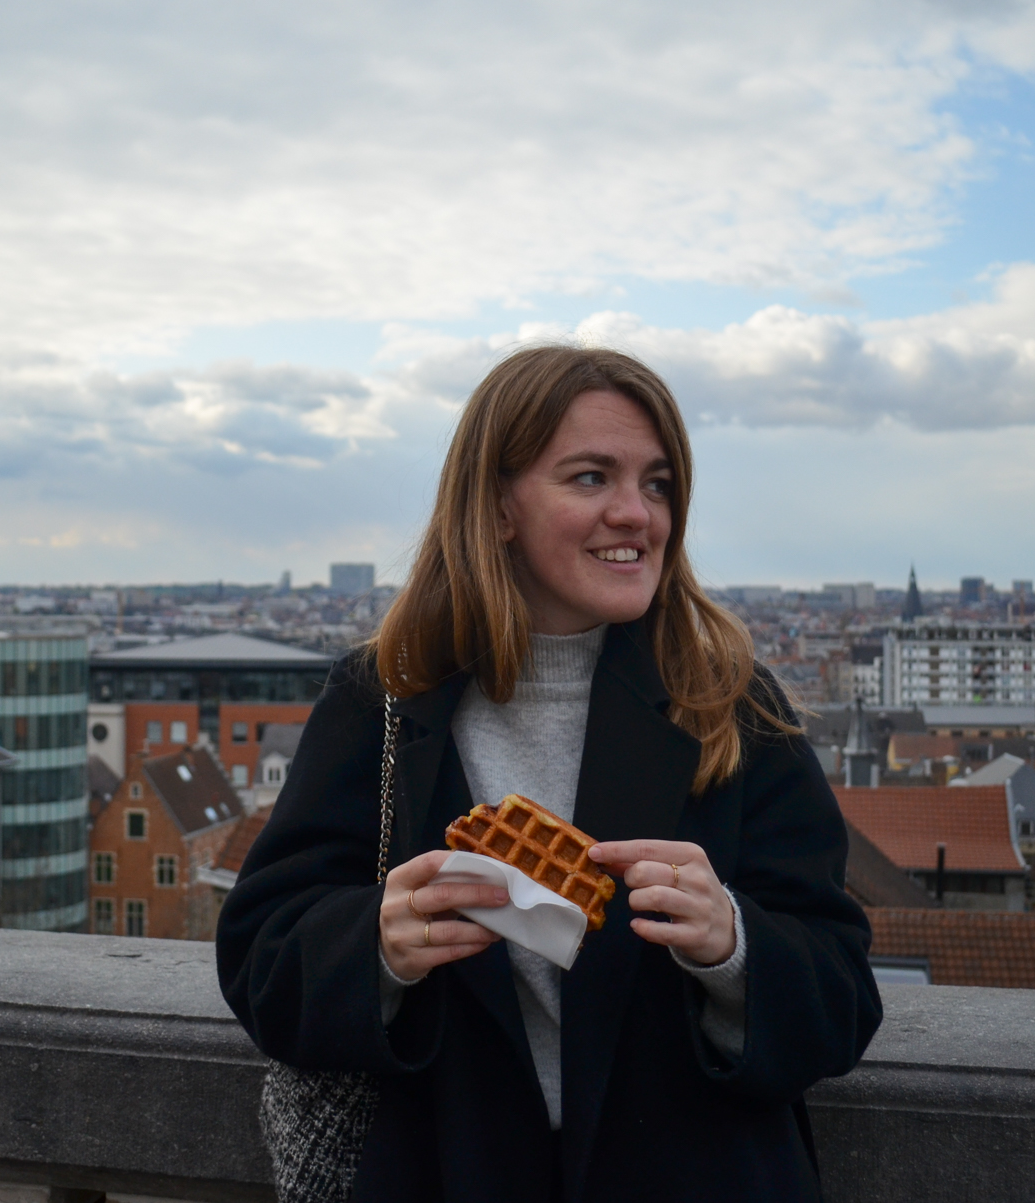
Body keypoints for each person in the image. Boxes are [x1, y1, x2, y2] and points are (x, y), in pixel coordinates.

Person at [217, 345, 880, 1202]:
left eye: (657, 483)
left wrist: (734, 945)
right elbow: (262, 962)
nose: (635, 514)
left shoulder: (727, 701)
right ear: (497, 507)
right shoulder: (385, 695)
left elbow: (843, 995)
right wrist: (378, 947)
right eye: (590, 478)